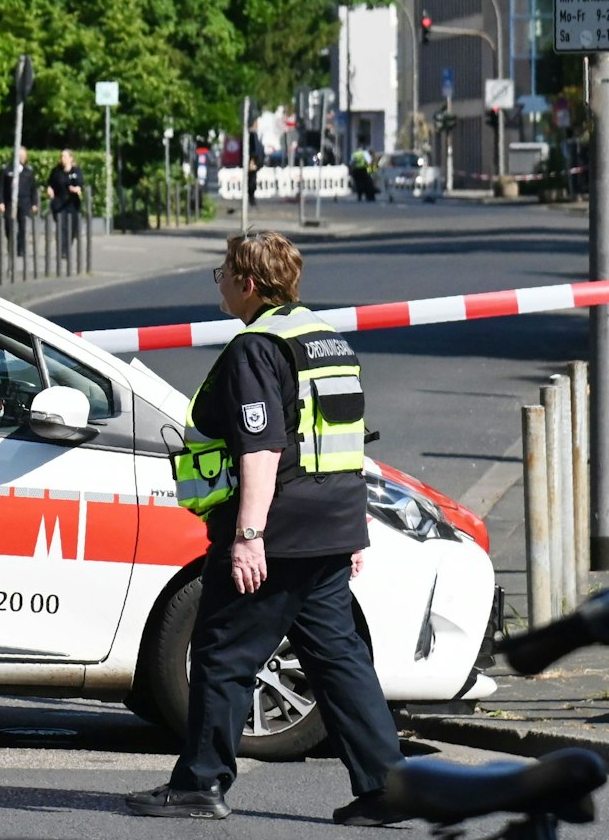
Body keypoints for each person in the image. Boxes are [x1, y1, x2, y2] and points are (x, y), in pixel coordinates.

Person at [126, 231, 406, 826]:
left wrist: (249, 536)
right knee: (339, 660)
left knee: (221, 651)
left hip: (278, 531)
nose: (221, 284)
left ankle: (200, 784)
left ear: (248, 283)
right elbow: (342, 443)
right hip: (329, 528)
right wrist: (353, 533)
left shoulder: (256, 348)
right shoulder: (327, 340)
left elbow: (262, 448)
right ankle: (388, 787)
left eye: (224, 273)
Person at [0, 147, 37, 257]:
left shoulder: (28, 171)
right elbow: (0, 188)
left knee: (23, 225)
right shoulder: (6, 170)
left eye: (24, 156)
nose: (22, 158)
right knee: (9, 223)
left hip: (25, 201)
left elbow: (33, 188)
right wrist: (0, 202)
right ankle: (11, 245)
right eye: (20, 156)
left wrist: (34, 203)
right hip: (9, 201)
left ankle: (20, 248)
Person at [47, 149, 83, 259]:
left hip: (72, 203)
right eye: (61, 156)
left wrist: (76, 189)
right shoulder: (56, 171)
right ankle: (62, 250)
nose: (63, 159)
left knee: (72, 228)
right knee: (61, 227)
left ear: (71, 158)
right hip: (59, 203)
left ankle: (67, 248)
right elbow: (50, 183)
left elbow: (80, 183)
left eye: (65, 157)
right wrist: (49, 189)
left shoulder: (76, 171)